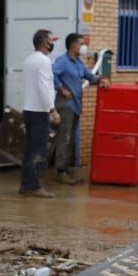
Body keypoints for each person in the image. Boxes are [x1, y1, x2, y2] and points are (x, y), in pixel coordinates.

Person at [51, 32, 105, 183]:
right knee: (64, 138)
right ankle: (60, 172)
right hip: (65, 105)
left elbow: (90, 77)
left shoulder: (79, 63)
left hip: (76, 105)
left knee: (71, 139)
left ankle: (66, 170)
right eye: (81, 44)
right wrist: (61, 89)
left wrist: (101, 79)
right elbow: (51, 74)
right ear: (72, 45)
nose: (83, 47)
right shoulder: (63, 61)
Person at [19, 28, 57, 198]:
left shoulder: (29, 60)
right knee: (40, 150)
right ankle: (34, 186)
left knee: (29, 150)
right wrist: (52, 109)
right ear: (44, 43)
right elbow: (44, 87)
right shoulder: (43, 61)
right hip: (40, 111)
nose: (52, 43)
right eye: (51, 40)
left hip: (28, 110)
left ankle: (25, 185)